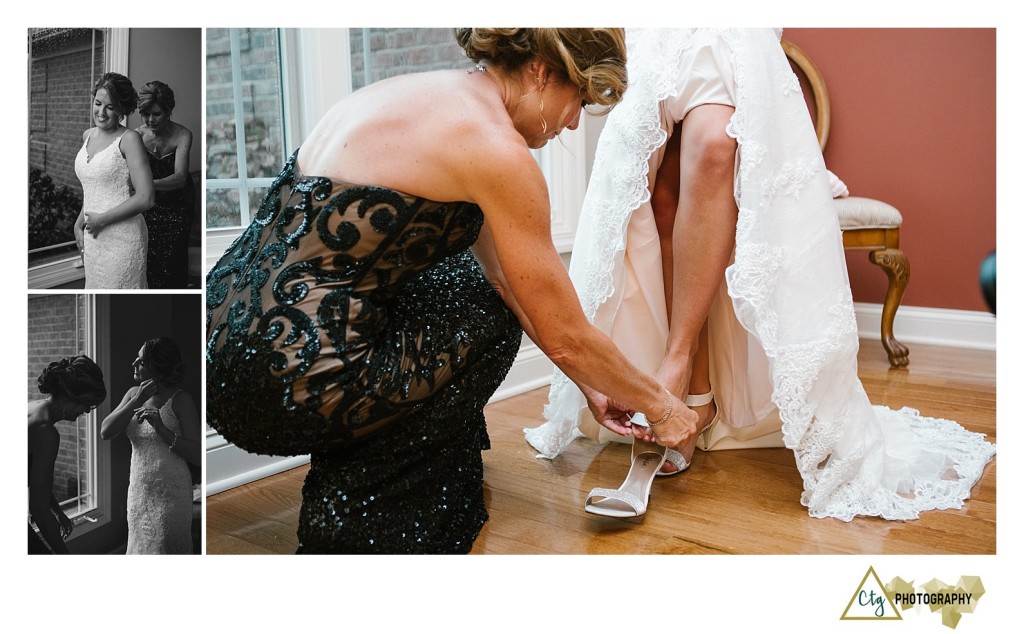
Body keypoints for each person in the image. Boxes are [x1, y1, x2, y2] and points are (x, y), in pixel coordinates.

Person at [206, 28, 703, 554]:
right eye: (577, 99)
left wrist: (595, 389)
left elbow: (506, 277)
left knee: (468, 283)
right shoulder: (496, 149)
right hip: (288, 382)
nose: (574, 121)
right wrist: (666, 408)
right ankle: (387, 495)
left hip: (216, 354)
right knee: (485, 314)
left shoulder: (410, 94)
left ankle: (394, 458)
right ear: (540, 71)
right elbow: (565, 336)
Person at [527, 28, 996, 521]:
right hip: (656, 30)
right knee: (658, 193)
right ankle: (695, 395)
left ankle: (679, 363)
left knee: (713, 145)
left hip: (724, 31)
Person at [101, 337, 199, 554]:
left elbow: (198, 456)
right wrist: (136, 400)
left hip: (170, 494)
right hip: (139, 490)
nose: (134, 364)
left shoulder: (181, 400)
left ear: (158, 367)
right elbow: (106, 431)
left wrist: (163, 430)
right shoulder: (132, 394)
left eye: (141, 361)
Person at [74, 72, 155, 289]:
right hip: (94, 235)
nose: (101, 112)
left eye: (110, 107)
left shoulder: (130, 139)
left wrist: (102, 220)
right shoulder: (87, 136)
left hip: (123, 237)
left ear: (122, 110)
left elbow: (146, 198)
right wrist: (78, 223)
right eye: (98, 103)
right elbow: (94, 188)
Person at [28, 356, 107, 554]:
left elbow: (38, 480)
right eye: (88, 404)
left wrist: (58, 512)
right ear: (70, 396)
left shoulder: (34, 406)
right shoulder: (46, 432)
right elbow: (37, 509)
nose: (88, 411)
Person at [136, 80, 195, 289]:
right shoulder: (136, 136)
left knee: (173, 257)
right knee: (147, 255)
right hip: (149, 204)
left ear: (169, 111)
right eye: (145, 114)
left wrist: (146, 185)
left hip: (178, 203)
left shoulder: (183, 135)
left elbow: (179, 178)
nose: (150, 119)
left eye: (156, 114)